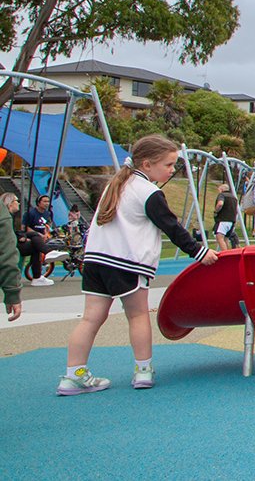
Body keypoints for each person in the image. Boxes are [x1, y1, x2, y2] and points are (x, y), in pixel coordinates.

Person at [59, 134, 218, 395]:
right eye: (168, 165)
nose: (171, 170)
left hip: (96, 260)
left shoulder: (115, 185)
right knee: (138, 315)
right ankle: (143, 371)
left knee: (90, 319)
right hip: (126, 263)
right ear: (146, 164)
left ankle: (72, 375)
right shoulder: (149, 193)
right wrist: (200, 253)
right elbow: (172, 228)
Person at [12, 193, 48, 284]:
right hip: (28, 235)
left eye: (48, 201)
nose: (47, 203)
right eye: (44, 201)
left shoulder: (47, 213)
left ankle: (37, 277)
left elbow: (47, 225)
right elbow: (25, 227)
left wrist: (45, 234)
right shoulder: (30, 213)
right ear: (38, 203)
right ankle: (49, 252)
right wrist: (24, 236)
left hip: (36, 238)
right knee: (35, 236)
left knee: (36, 247)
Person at [2, 193, 24, 321]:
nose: (19, 203)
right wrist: (12, 294)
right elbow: (7, 255)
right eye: (16, 201)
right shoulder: (3, 215)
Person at [212, 182, 239, 250]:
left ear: (221, 189)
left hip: (223, 220)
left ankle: (225, 254)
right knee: (226, 239)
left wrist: (216, 211)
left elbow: (220, 203)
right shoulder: (234, 198)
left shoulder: (222, 195)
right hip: (232, 221)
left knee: (219, 237)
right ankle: (229, 254)